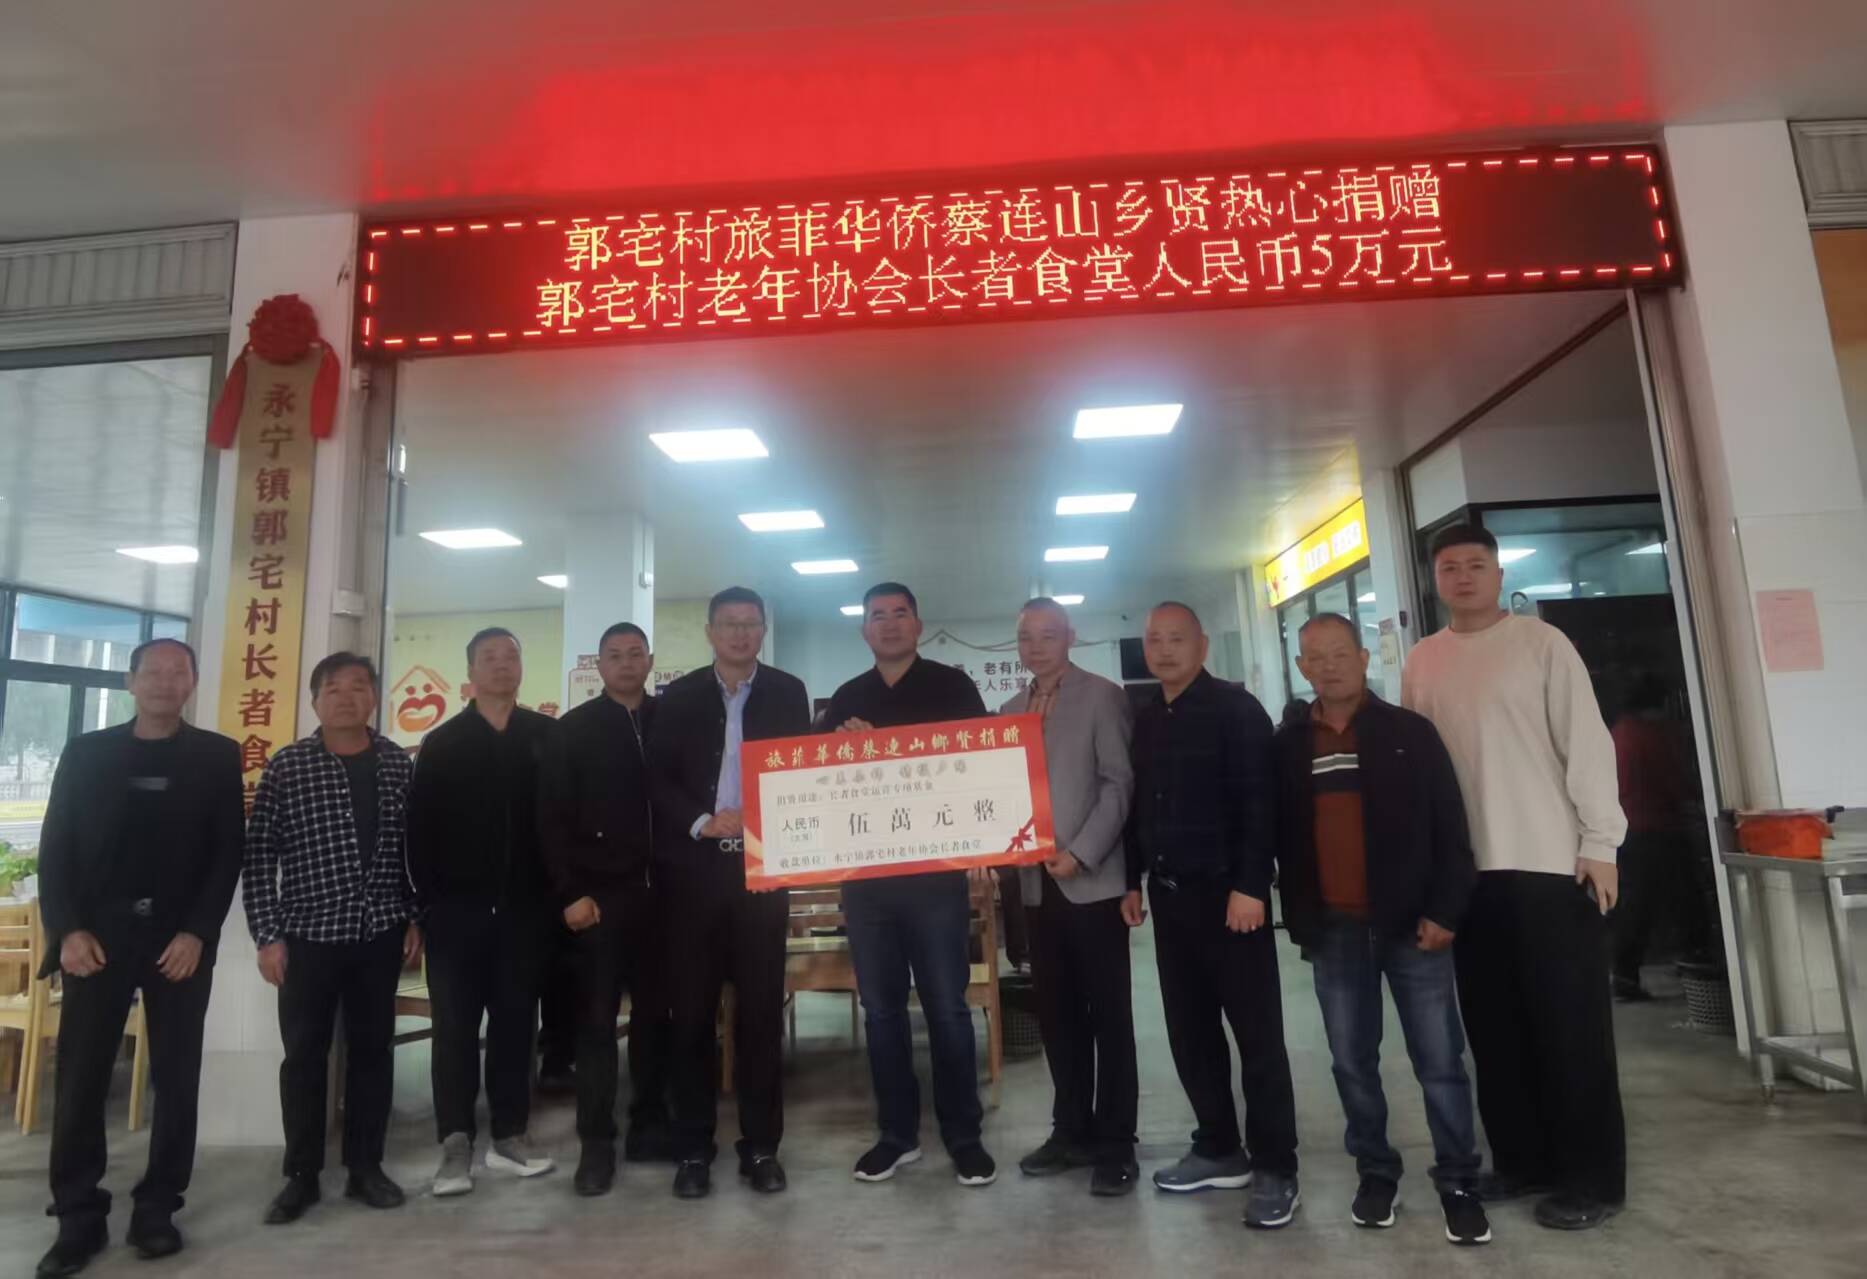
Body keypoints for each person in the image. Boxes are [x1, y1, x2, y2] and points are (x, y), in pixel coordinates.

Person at [1402, 524, 1629, 1231]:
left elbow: (1586, 745)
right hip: (1470, 875)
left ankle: (1592, 1179)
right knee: (1496, 1031)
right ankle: (1523, 1161)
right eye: (1450, 567)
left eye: (1477, 565)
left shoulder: (1542, 644)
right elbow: (1418, 772)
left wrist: (1601, 842)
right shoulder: (1422, 660)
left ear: (1499, 576)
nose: (1463, 576)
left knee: (1570, 1030)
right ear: (1435, 580)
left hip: (1551, 864)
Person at [1275, 613, 1490, 1246]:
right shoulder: (1288, 746)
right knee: (1351, 1063)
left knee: (1440, 1062)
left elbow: (1451, 827)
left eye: (1340, 653)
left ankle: (1459, 1182)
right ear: (1302, 668)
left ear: (1365, 657)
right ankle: (1375, 1173)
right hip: (1335, 931)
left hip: (1412, 926)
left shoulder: (1408, 733)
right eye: (1316, 657)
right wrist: (1300, 918)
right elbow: (1277, 833)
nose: (1330, 665)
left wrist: (1445, 911)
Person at [33, 639, 243, 1277]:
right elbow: (56, 848)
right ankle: (78, 1215)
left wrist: (198, 933)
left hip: (179, 942)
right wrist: (68, 931)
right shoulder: (87, 752)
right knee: (81, 1077)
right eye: (152, 672)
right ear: (130, 682)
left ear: (192, 683)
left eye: (178, 672)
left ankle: (158, 1208)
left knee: (176, 1077)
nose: (164, 682)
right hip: (98, 939)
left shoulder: (216, 756)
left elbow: (226, 853)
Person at [1125, 602, 1300, 1229]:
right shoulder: (1147, 717)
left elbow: (1261, 801)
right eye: (1154, 639)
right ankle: (1220, 1146)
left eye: (1177, 638)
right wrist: (1132, 880)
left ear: (1201, 645)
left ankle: (1276, 1165)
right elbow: (1138, 806)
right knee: (1190, 1031)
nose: (1164, 649)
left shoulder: (1235, 709)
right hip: (1172, 899)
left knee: (1257, 1036)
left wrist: (1252, 886)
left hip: (1231, 902)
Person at [826, 581, 996, 1188]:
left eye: (901, 613)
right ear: (864, 630)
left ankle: (964, 1134)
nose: (890, 623)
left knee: (948, 1007)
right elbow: (821, 789)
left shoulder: (953, 688)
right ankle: (897, 1134)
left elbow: (982, 770)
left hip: (935, 879)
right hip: (866, 881)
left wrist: (984, 849)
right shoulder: (846, 698)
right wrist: (841, 752)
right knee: (881, 1011)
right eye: (878, 615)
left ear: (919, 625)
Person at [243, 653, 422, 1225]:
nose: (347, 697)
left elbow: (412, 851)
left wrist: (413, 916)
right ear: (315, 700)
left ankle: (366, 1167)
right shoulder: (288, 766)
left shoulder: (395, 763)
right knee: (304, 1058)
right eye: (334, 689)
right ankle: (301, 1175)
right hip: (307, 938)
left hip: (379, 933)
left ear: (374, 697)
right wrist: (267, 935)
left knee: (373, 1053)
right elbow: (258, 856)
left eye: (359, 687)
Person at [651, 588, 810, 1199]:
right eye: (729, 624)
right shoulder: (679, 696)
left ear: (763, 630)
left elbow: (801, 771)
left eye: (750, 623)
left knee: (761, 1015)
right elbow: (657, 779)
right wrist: (701, 820)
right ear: (710, 631)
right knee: (691, 1016)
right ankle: (693, 1149)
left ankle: (762, 1147)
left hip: (762, 873)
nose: (740, 633)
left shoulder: (788, 692)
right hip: (693, 876)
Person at [407, 627, 558, 1198]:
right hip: (456, 916)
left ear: (521, 666)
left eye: (510, 656)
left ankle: (510, 1136)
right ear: (470, 671)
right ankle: (455, 1143)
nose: (501, 665)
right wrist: (427, 907)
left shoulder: (546, 736)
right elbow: (418, 833)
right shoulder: (443, 743)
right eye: (489, 657)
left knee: (517, 1026)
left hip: (525, 914)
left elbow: (560, 823)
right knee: (454, 1028)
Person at [997, 599, 1138, 1197]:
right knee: (1056, 1017)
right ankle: (1070, 1129)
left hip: (1092, 882)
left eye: (1048, 635)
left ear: (1071, 637)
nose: (1036, 647)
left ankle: (1116, 1143)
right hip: (1034, 888)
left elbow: (1118, 783)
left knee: (1109, 1018)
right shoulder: (1009, 711)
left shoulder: (1103, 696)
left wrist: (1081, 852)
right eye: (1026, 637)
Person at [539, 621, 673, 1195]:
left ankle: (650, 1124)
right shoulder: (574, 730)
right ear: (599, 666)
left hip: (664, 896)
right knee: (595, 1025)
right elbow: (550, 819)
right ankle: (595, 1143)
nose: (625, 663)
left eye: (635, 653)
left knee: (657, 1018)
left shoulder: (672, 720)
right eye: (614, 655)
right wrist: (569, 893)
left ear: (650, 661)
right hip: (598, 900)